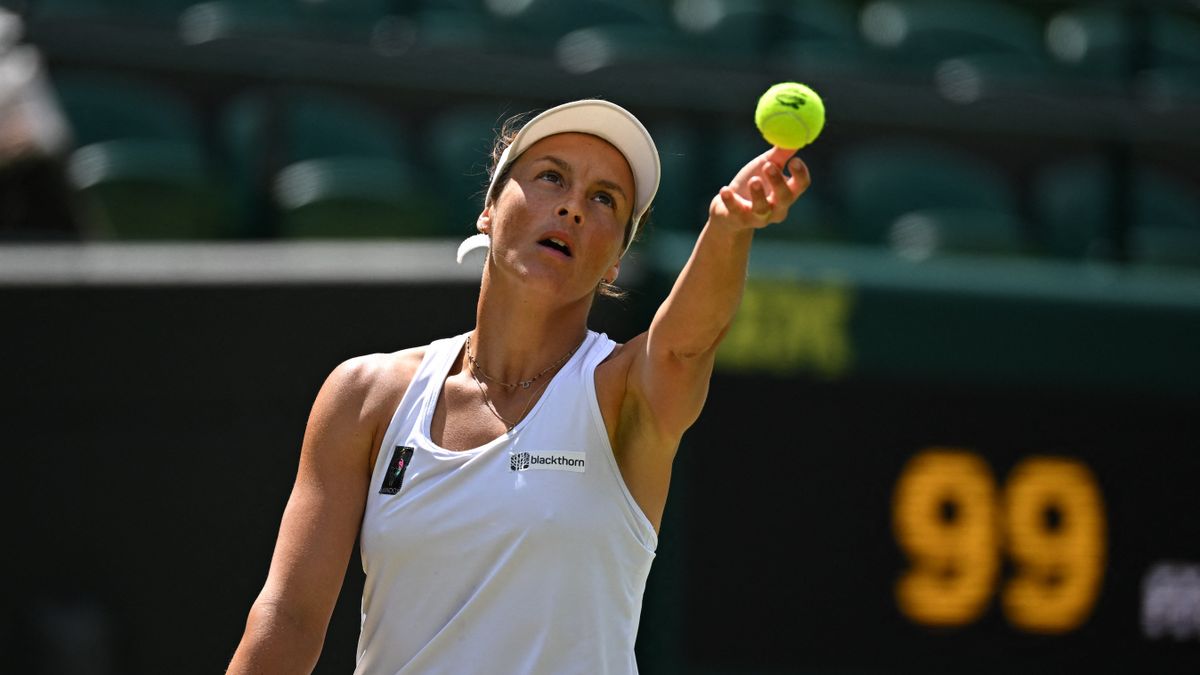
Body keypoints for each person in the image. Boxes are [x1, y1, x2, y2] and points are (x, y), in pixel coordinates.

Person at [227, 97, 810, 674]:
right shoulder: (365, 395)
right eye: (551, 178)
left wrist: (729, 226)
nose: (573, 208)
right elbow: (289, 618)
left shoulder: (626, 391)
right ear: (488, 209)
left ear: (615, 262)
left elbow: (686, 344)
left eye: (604, 199)